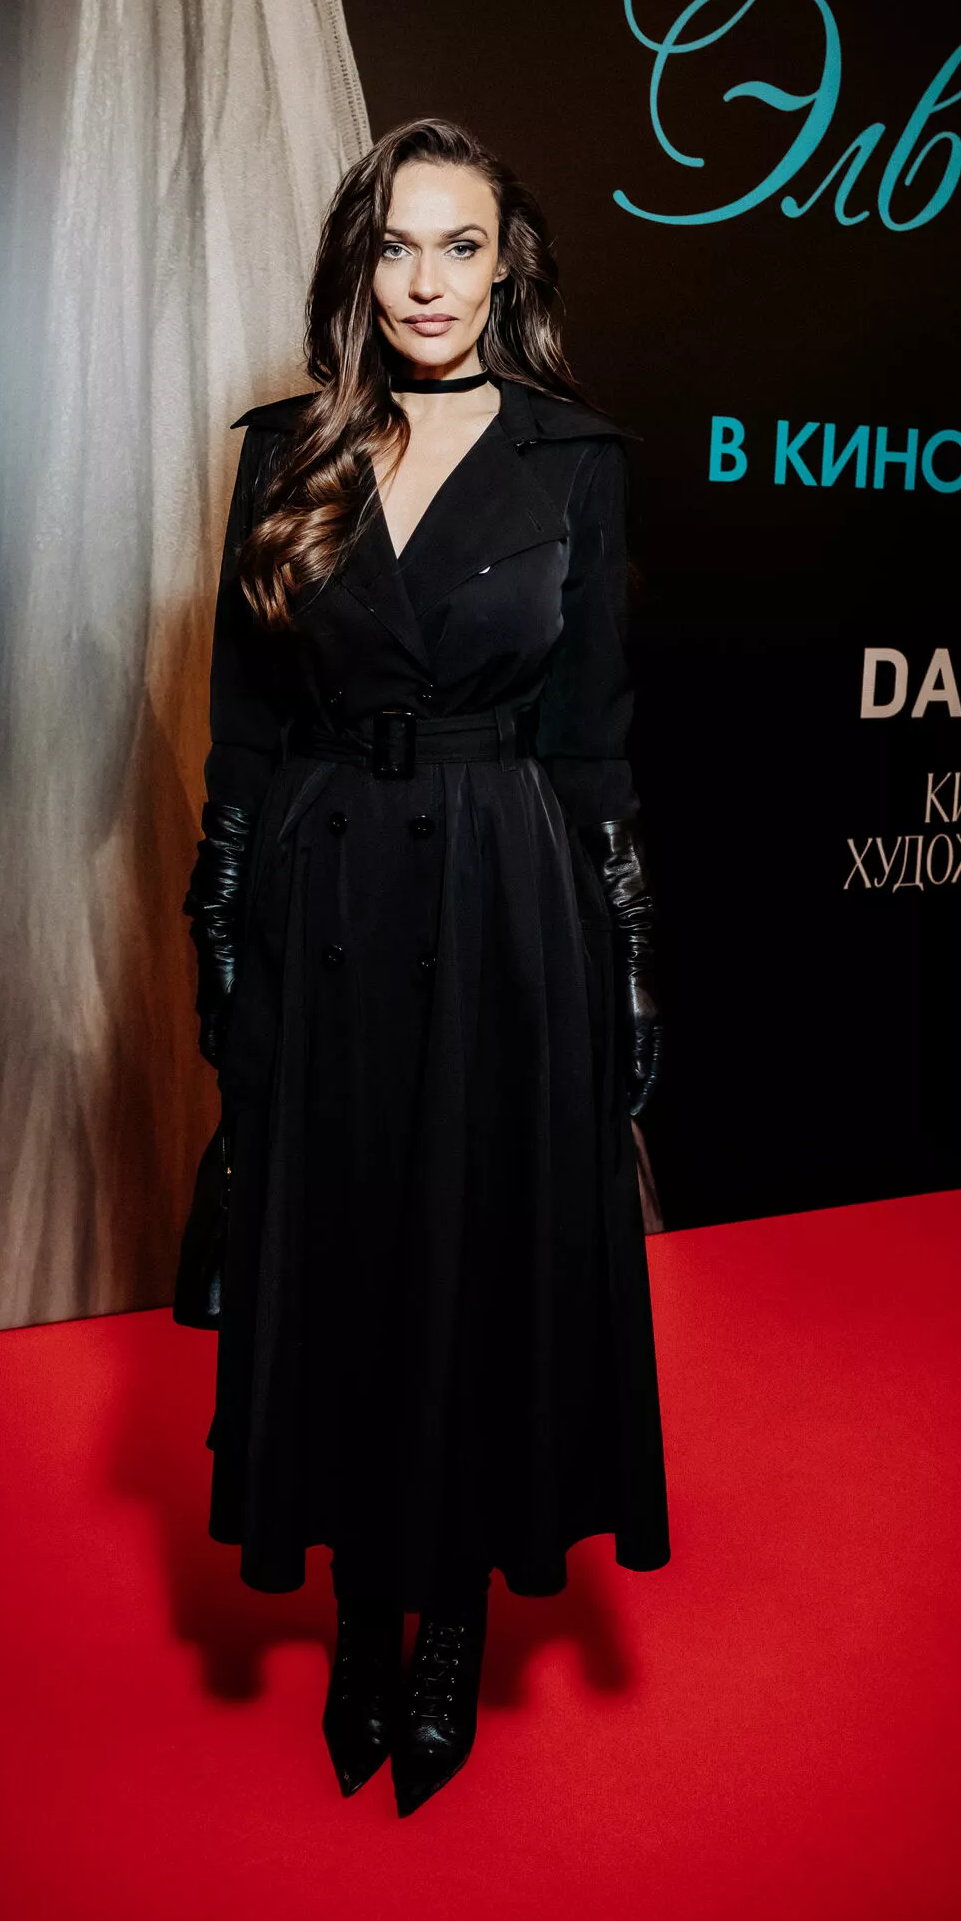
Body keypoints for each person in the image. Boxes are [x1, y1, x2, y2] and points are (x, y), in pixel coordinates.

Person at [179, 115, 669, 1818]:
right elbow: (242, 724)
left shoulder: (573, 458)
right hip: (320, 888)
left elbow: (593, 738)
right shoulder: (285, 450)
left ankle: (449, 1619)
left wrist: (627, 957)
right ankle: (361, 1616)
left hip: (503, 899)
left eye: (461, 245)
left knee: (474, 1252)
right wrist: (218, 920)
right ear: (358, 265)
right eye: (396, 244)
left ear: (507, 263)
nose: (427, 281)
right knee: (342, 1252)